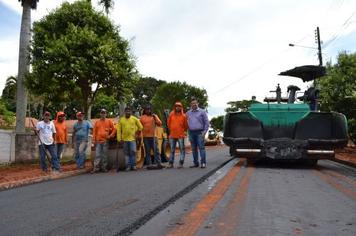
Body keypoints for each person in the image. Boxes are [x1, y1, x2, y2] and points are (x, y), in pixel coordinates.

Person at [116, 107, 143, 171]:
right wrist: (119, 139)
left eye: (129, 111)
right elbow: (119, 130)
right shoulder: (121, 120)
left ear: (131, 112)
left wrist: (137, 134)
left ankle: (133, 166)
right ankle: (128, 166)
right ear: (124, 112)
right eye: (126, 111)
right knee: (126, 154)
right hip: (124, 140)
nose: (128, 112)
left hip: (132, 139)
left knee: (133, 152)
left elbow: (141, 127)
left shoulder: (134, 119)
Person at [186, 98, 209, 168]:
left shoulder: (202, 112)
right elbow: (184, 122)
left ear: (197, 103)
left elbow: (206, 123)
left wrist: (204, 132)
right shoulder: (188, 113)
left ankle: (203, 163)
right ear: (190, 104)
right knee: (193, 149)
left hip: (200, 132)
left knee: (201, 148)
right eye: (192, 103)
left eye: (195, 103)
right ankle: (196, 163)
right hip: (191, 133)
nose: (194, 104)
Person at [92, 109, 116, 173]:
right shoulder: (97, 122)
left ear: (106, 114)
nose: (103, 114)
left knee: (104, 155)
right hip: (98, 141)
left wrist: (110, 136)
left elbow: (114, 129)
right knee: (97, 155)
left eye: (104, 113)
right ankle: (96, 168)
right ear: (100, 114)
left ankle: (104, 168)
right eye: (102, 113)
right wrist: (93, 140)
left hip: (105, 141)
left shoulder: (109, 121)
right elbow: (94, 132)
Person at [140, 105, 163, 169]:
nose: (148, 110)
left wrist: (155, 117)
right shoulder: (142, 118)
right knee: (147, 151)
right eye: (147, 109)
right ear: (145, 110)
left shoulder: (154, 116)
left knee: (156, 150)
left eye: (149, 109)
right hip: (145, 137)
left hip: (153, 136)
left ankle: (159, 164)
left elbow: (160, 124)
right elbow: (139, 127)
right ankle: (149, 165)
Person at [167, 102, 188, 168]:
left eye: (179, 106)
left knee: (182, 149)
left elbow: (186, 126)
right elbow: (168, 123)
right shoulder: (171, 114)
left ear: (181, 107)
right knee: (172, 150)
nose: (177, 107)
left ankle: (181, 163)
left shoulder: (184, 116)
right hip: (172, 135)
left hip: (180, 135)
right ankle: (171, 163)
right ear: (175, 107)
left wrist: (182, 131)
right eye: (176, 106)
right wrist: (172, 129)